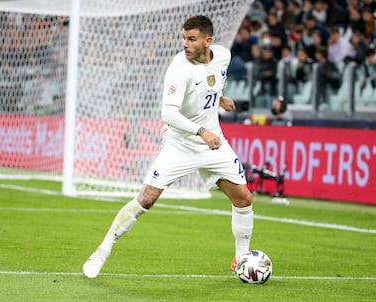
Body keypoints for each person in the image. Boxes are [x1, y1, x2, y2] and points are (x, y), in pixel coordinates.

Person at [82, 15, 254, 279]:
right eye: (184, 38)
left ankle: (242, 260)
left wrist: (220, 99)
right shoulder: (178, 67)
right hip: (180, 144)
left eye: (191, 39)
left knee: (243, 198)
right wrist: (201, 131)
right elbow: (168, 113)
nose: (185, 43)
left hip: (213, 143)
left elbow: (208, 82)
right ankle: (102, 251)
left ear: (208, 41)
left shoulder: (223, 56)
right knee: (147, 199)